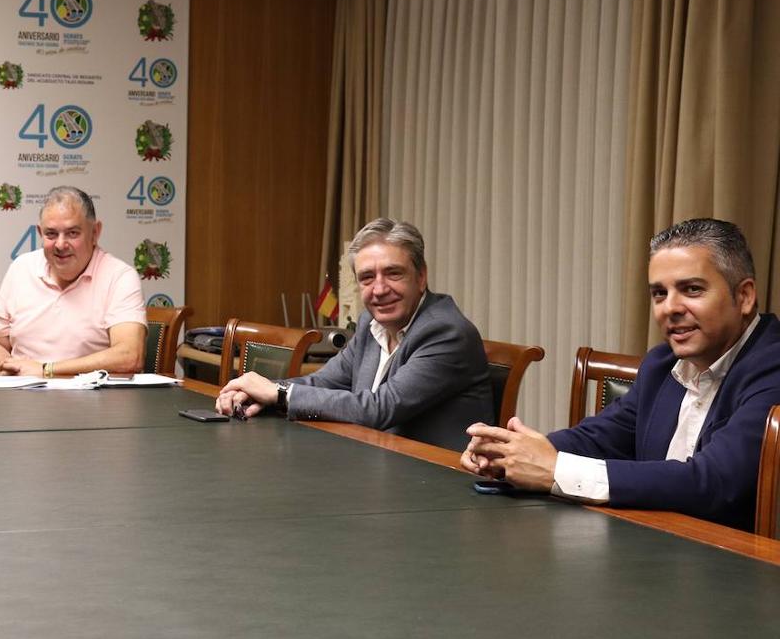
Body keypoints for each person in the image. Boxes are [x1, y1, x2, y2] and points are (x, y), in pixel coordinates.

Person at [462, 218, 780, 531]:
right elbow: (601, 437)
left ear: (744, 297)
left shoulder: (772, 366)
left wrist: (554, 469)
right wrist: (511, 454)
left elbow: (713, 482)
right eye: (659, 293)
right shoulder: (660, 364)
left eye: (692, 289)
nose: (670, 308)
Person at [215, 218, 494, 450]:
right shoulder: (370, 324)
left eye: (393, 273)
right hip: (381, 465)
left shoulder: (445, 331)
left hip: (438, 483)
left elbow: (379, 409)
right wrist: (255, 394)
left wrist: (278, 394)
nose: (380, 289)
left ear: (421, 277)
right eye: (367, 278)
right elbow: (324, 382)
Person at [0, 185, 146, 377]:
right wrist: (8, 371)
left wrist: (46, 370)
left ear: (95, 233)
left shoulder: (119, 276)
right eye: (51, 234)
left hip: (92, 401)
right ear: (40, 233)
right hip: (22, 398)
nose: (60, 244)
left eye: (72, 233)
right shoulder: (21, 267)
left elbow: (129, 356)